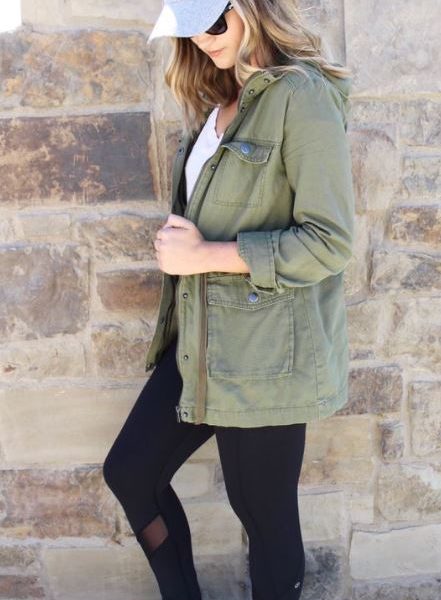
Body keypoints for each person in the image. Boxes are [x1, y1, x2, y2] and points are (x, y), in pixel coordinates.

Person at [102, 1, 355, 599]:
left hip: (266, 355)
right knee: (132, 473)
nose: (202, 38)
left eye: (214, 21)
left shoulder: (301, 96)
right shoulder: (221, 103)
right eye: (191, 27)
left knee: (264, 516)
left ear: (252, 9)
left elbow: (329, 242)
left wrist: (205, 255)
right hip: (200, 345)